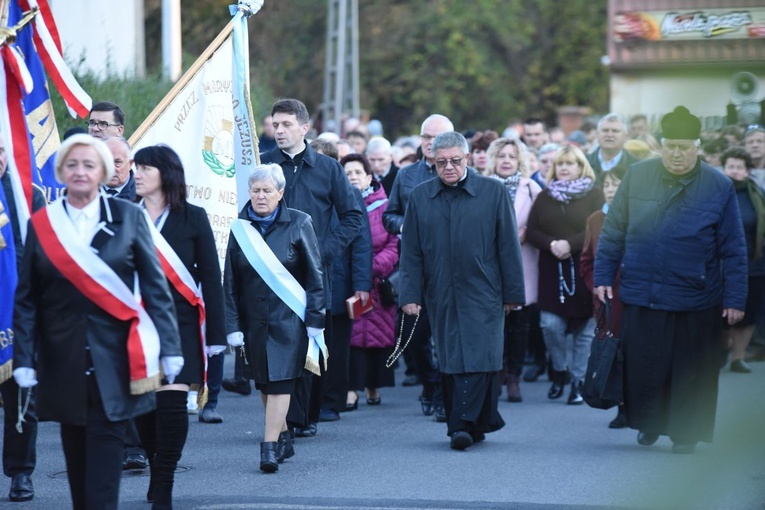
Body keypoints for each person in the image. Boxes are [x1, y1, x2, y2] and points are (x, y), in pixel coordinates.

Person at [12, 134, 183, 509]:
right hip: (63, 362)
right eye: (72, 164)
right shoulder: (43, 224)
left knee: (102, 486)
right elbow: (27, 300)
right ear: (61, 171)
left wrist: (170, 349)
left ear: (104, 171)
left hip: (116, 361)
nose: (80, 172)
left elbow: (155, 290)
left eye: (89, 165)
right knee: (79, 483)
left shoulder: (128, 217)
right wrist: (24, 359)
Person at [594, 106, 747, 454]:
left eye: (684, 147)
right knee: (644, 365)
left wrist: (735, 299)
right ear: (661, 145)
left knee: (690, 371)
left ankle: (686, 433)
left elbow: (734, 249)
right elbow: (614, 230)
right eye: (670, 146)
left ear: (697, 147)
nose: (676, 154)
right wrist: (604, 274)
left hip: (695, 295)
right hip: (642, 291)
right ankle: (647, 423)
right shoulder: (637, 176)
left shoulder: (719, 186)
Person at [399, 131, 525, 450]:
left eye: (455, 160)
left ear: (467, 158)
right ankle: (461, 424)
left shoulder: (492, 192)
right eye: (441, 162)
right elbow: (411, 251)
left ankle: (473, 423)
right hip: (441, 291)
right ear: (433, 162)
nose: (449, 167)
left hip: (485, 289)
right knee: (452, 355)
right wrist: (410, 295)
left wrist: (513, 294)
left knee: (482, 353)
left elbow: (509, 246)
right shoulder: (420, 196)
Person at [260, 99, 363, 438]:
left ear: (305, 128)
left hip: (316, 275)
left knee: (313, 344)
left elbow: (352, 217)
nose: (279, 130)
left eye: (286, 124)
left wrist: (324, 251)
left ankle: (307, 415)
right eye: (275, 124)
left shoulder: (328, 169)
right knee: (278, 344)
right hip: (272, 274)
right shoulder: (263, 166)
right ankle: (286, 420)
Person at [132, 144, 226, 507]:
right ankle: (156, 467)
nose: (136, 174)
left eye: (145, 168)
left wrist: (216, 335)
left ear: (166, 174)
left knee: (172, 405)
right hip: (137, 328)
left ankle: (164, 481)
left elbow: (211, 279)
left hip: (180, 326)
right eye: (135, 167)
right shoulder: (126, 215)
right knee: (145, 409)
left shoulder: (193, 217)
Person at [224, 164, 325, 472]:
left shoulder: (299, 223)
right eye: (255, 190)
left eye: (268, 190)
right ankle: (283, 438)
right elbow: (230, 283)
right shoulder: (240, 228)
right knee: (265, 385)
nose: (261, 196)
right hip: (254, 323)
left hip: (289, 321)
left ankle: (268, 448)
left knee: (281, 382)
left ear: (281, 193)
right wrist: (232, 326)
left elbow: (315, 275)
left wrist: (315, 320)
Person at [383, 114, 455, 421]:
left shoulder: (459, 173)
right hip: (414, 266)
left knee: (447, 334)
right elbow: (390, 215)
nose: (431, 143)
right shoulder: (406, 174)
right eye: (426, 137)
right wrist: (405, 228)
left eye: (438, 138)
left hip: (451, 268)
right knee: (414, 333)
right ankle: (430, 386)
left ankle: (446, 393)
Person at [527, 145, 604, 405]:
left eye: (570, 163)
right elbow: (532, 231)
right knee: (550, 325)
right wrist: (551, 245)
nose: (564, 168)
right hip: (552, 271)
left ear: (581, 166)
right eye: (560, 164)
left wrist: (569, 245)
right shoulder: (545, 196)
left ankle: (578, 381)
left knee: (585, 332)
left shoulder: (594, 195)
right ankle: (559, 370)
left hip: (585, 268)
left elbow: (599, 228)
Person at [0, 131, 45, 503]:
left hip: (18, 313)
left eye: (0, 149)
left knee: (21, 400)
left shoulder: (29, 195)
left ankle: (20, 474)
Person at [485, 138, 542, 402]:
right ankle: (497, 372)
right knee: (495, 325)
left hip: (523, 263)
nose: (506, 161)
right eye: (501, 156)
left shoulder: (532, 189)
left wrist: (527, 232)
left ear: (521, 161)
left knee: (519, 326)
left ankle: (514, 377)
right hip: (491, 265)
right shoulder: (482, 187)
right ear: (492, 160)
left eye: (512, 156)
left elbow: (543, 224)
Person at [341, 153, 398, 407]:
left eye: (357, 173)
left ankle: (373, 385)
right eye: (347, 173)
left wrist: (369, 268)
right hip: (348, 282)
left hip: (377, 282)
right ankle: (351, 389)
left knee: (378, 337)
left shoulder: (384, 205)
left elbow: (394, 245)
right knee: (351, 339)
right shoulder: (339, 206)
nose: (352, 177)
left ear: (368, 177)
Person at [580, 164, 628, 428]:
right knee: (613, 353)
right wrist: (598, 285)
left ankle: (639, 406)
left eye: (617, 184)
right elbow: (586, 260)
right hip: (607, 300)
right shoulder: (595, 220)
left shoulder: (641, 217)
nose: (611, 190)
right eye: (607, 185)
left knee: (635, 351)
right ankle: (621, 406)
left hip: (634, 297)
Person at [719, 147, 765, 374]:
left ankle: (738, 357)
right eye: (730, 166)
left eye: (739, 167)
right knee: (722, 313)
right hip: (722, 265)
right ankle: (720, 351)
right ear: (723, 168)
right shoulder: (716, 193)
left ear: (747, 171)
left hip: (754, 263)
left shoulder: (757, 194)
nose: (734, 171)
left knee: (750, 311)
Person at [586, 113, 639, 178]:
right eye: (605, 130)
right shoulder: (583, 162)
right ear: (597, 134)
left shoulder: (636, 166)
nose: (609, 135)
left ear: (625, 137)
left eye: (615, 131)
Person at [745, 124, 765, 189]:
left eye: (759, 141)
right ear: (744, 146)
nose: (755, 145)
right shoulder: (737, 171)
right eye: (750, 142)